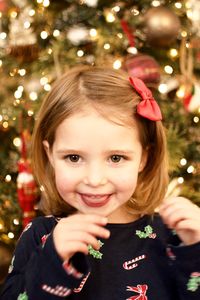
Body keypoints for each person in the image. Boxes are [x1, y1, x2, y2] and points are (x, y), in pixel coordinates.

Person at [1, 66, 200, 300]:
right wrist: (52, 261)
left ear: (143, 158)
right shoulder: (41, 236)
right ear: (50, 155)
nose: (95, 180)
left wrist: (195, 252)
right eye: (73, 157)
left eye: (116, 158)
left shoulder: (175, 238)